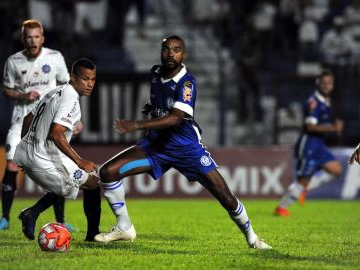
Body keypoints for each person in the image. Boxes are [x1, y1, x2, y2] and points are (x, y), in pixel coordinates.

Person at [93, 35, 272, 249]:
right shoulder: (155, 74)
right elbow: (160, 104)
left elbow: (176, 117)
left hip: (186, 148)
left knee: (225, 196)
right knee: (108, 172)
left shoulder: (187, 82)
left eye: (176, 50)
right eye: (166, 49)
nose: (171, 54)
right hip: (157, 147)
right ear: (161, 52)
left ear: (183, 54)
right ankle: (124, 227)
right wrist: (151, 110)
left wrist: (137, 125)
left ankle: (252, 238)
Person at [0, 19, 74, 232]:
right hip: (20, 122)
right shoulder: (13, 61)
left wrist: (75, 117)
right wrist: (22, 95)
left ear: (42, 38)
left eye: (36, 36)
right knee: (11, 165)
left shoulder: (55, 58)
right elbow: (6, 90)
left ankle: (61, 221)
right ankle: (4, 218)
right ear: (23, 39)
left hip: (48, 125)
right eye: (28, 37)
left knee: (57, 171)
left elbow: (67, 88)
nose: (33, 40)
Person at [14, 58, 101, 241]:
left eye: (93, 79)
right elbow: (56, 133)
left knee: (78, 183)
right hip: (44, 156)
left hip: (28, 153)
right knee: (92, 183)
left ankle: (32, 213)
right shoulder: (71, 99)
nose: (90, 84)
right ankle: (92, 235)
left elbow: (28, 118)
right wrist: (80, 161)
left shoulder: (53, 92)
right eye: (85, 78)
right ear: (72, 77)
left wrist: (26, 149)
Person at [275, 71, 344, 216]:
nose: (327, 86)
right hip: (308, 146)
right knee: (302, 182)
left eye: (329, 83)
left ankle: (303, 189)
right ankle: (281, 207)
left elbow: (325, 123)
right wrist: (333, 128)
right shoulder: (313, 102)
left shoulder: (326, 102)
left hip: (319, 145)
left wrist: (335, 125)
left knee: (336, 170)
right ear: (318, 83)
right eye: (324, 83)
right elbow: (310, 127)